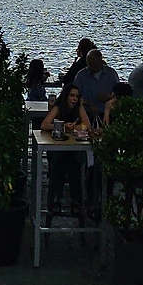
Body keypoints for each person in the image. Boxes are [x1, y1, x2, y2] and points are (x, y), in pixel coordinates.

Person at [41, 82, 91, 217]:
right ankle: (56, 199)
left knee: (75, 165)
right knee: (60, 164)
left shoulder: (79, 108)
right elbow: (44, 124)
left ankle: (76, 200)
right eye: (71, 96)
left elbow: (87, 125)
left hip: (74, 146)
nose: (74, 99)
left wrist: (75, 128)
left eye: (77, 96)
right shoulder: (58, 108)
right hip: (58, 146)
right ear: (65, 96)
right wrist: (61, 126)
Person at [73, 47, 121, 125]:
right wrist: (88, 104)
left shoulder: (111, 74)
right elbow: (76, 96)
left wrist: (109, 97)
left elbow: (119, 95)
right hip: (87, 114)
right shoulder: (81, 76)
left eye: (94, 64)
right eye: (89, 64)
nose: (91, 67)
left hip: (108, 114)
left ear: (100, 62)